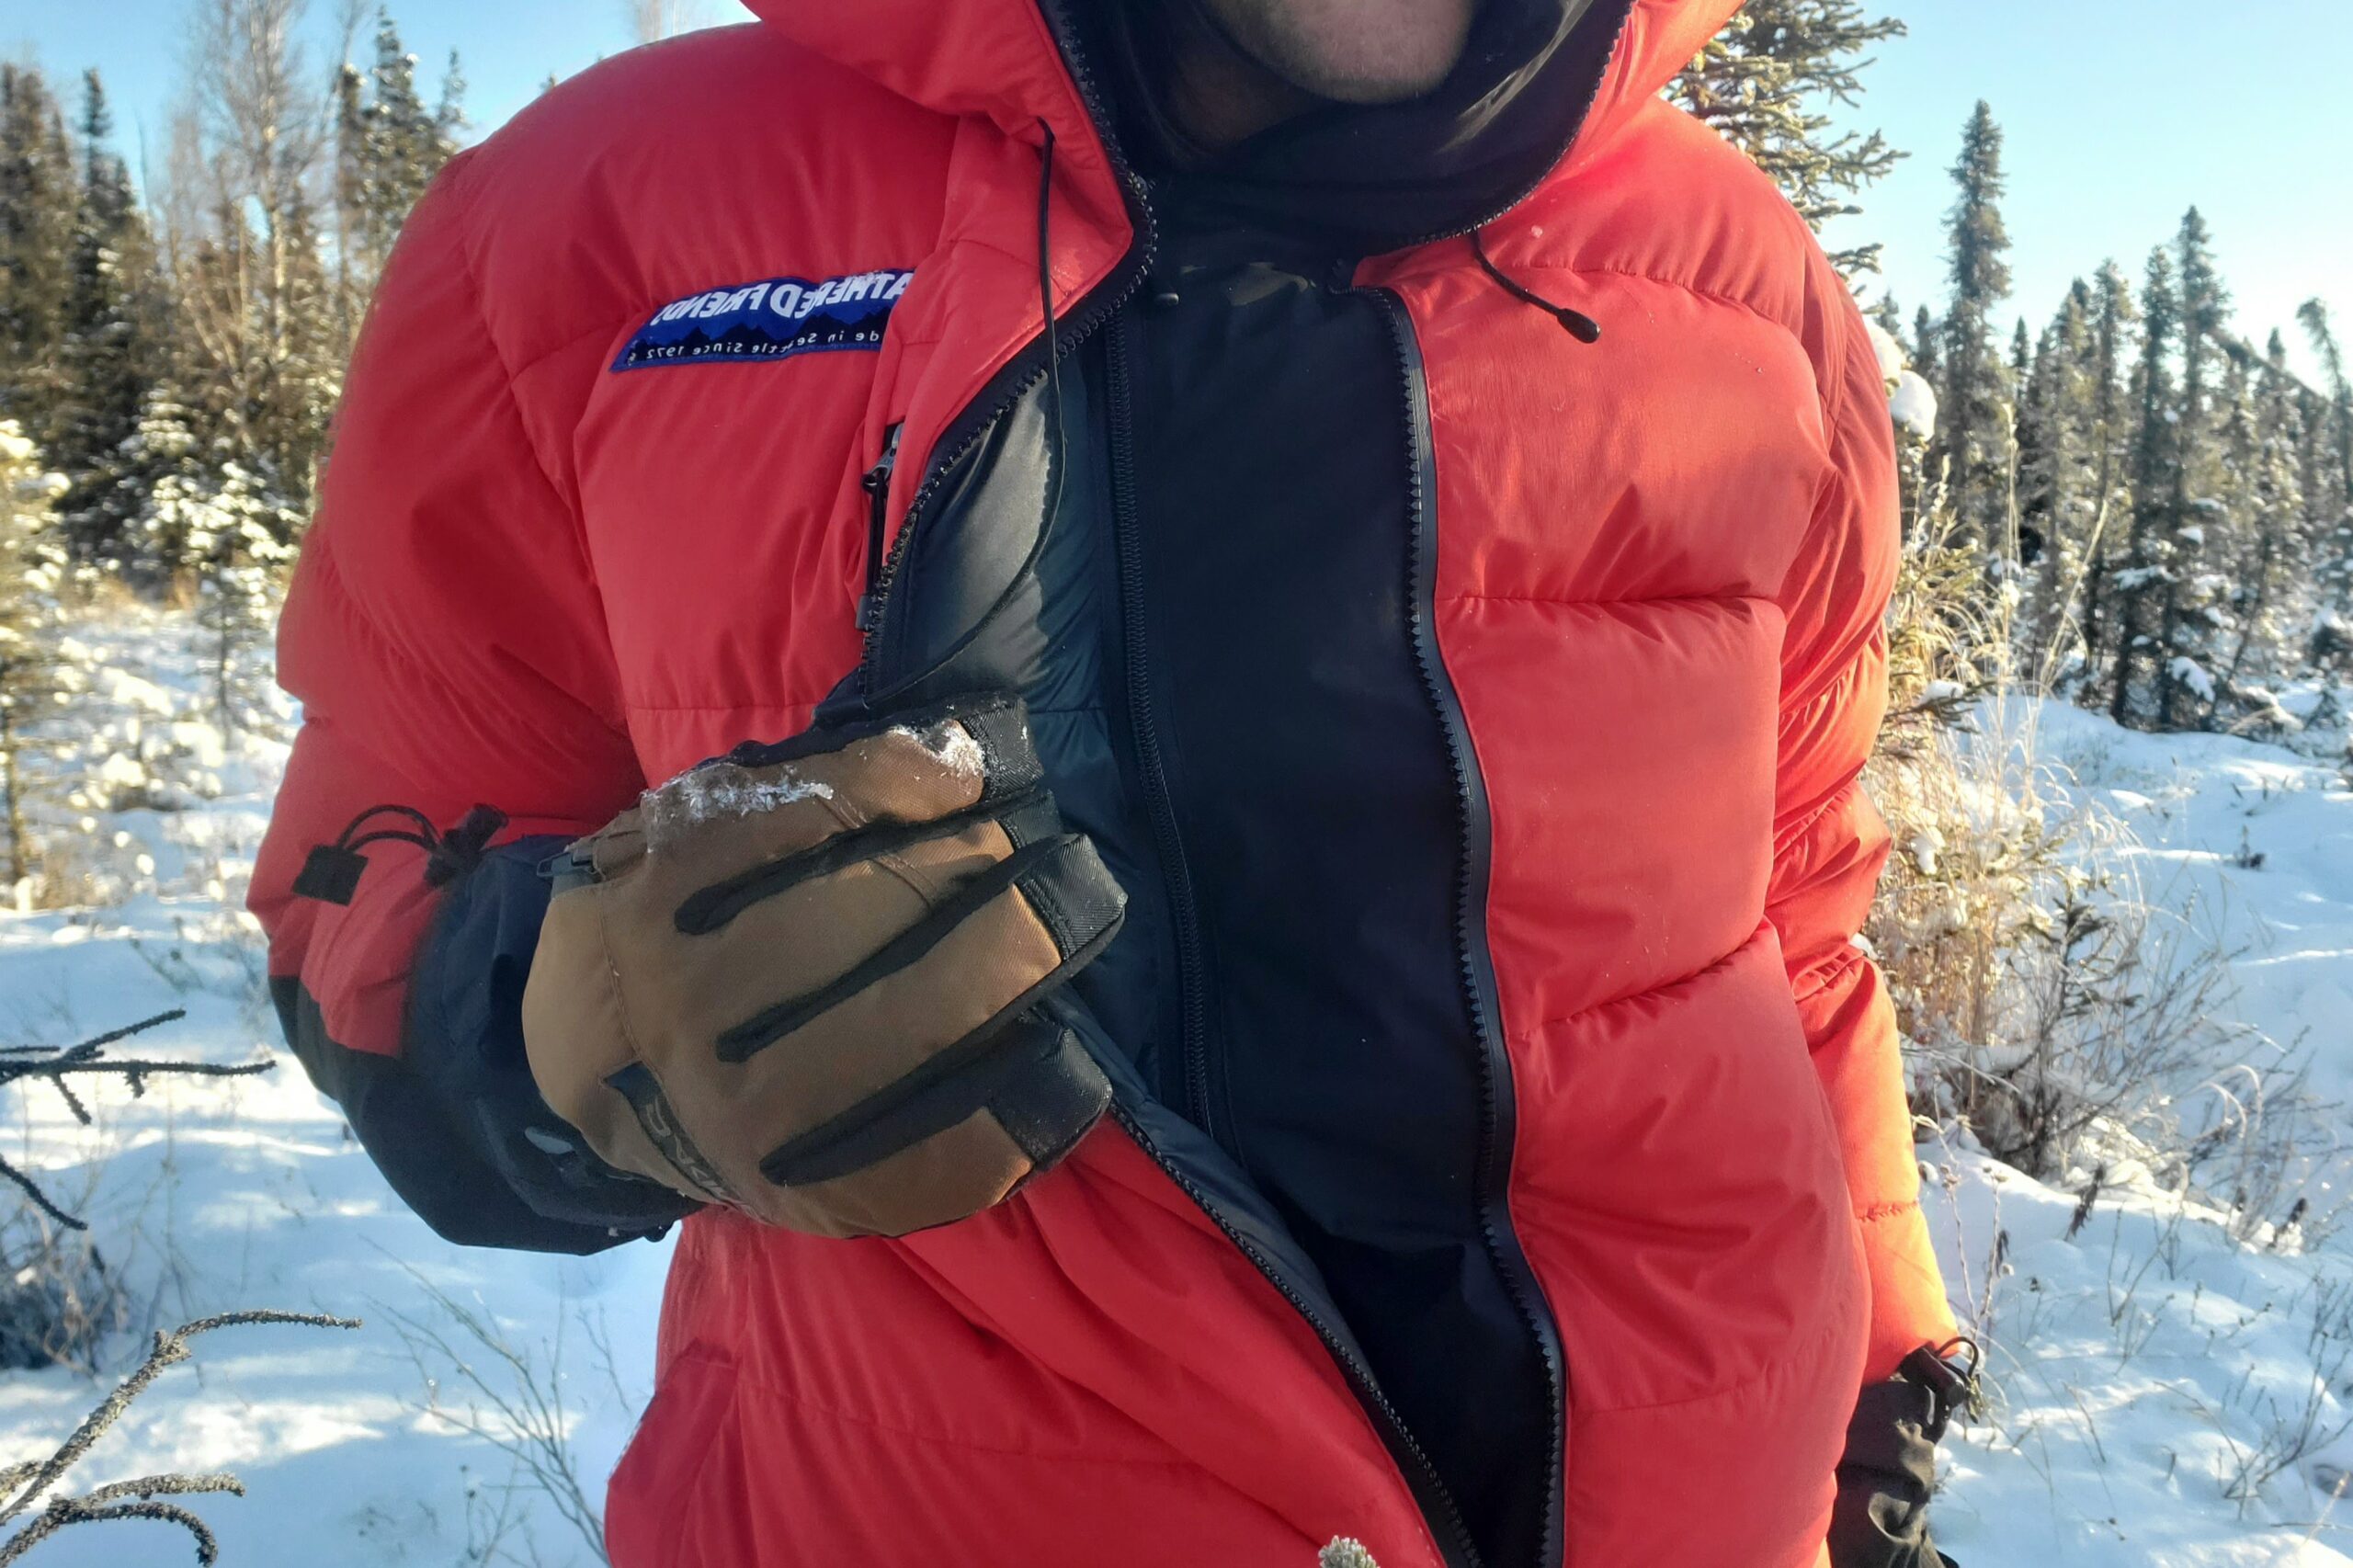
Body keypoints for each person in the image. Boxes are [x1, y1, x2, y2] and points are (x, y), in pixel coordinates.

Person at [250, 2, 1972, 1563]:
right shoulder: (594, 224)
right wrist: (569, 1025)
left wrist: (1882, 1363)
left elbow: (1797, 922)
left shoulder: (1751, 284)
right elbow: (373, 867)